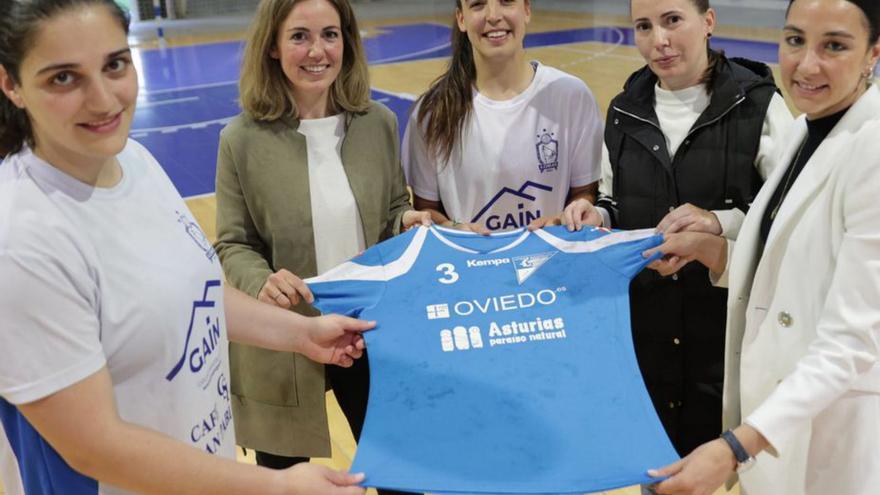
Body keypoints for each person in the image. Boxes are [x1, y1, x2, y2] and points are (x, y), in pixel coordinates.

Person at [0, 0, 373, 493]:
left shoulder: (133, 159)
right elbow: (92, 447)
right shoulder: (22, 242)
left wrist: (300, 334)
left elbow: (195, 293)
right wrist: (273, 485)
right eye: (63, 78)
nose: (104, 100)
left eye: (114, 65)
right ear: (11, 85)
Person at [643, 0, 880, 493]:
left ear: (873, 53)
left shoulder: (872, 151)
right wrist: (712, 252)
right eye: (795, 40)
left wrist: (736, 444)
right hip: (775, 418)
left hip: (830, 430)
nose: (807, 64)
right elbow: (789, 269)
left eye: (834, 46)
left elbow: (853, 341)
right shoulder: (803, 129)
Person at [559, 0, 792, 458]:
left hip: (726, 339)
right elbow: (614, 200)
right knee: (656, 467)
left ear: (708, 22)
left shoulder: (759, 105)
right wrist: (595, 215)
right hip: (648, 336)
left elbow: (786, 216)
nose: (658, 40)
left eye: (672, 21)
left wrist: (717, 221)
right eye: (643, 26)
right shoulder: (625, 109)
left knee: (719, 468)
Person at [213, 0, 427, 489]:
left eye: (330, 34)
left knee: (402, 476)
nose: (317, 51)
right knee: (287, 482)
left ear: (347, 42)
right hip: (282, 340)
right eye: (299, 36)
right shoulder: (239, 139)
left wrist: (408, 218)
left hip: (368, 333)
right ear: (272, 46)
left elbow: (393, 210)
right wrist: (263, 282)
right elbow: (233, 242)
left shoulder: (378, 123)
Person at [403, 0, 603, 234]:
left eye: (506, 1)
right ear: (461, 19)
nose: (493, 15)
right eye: (478, 4)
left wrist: (564, 219)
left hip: (552, 264)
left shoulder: (571, 96)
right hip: (473, 267)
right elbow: (426, 210)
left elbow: (585, 194)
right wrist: (454, 228)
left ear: (527, 9)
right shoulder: (433, 112)